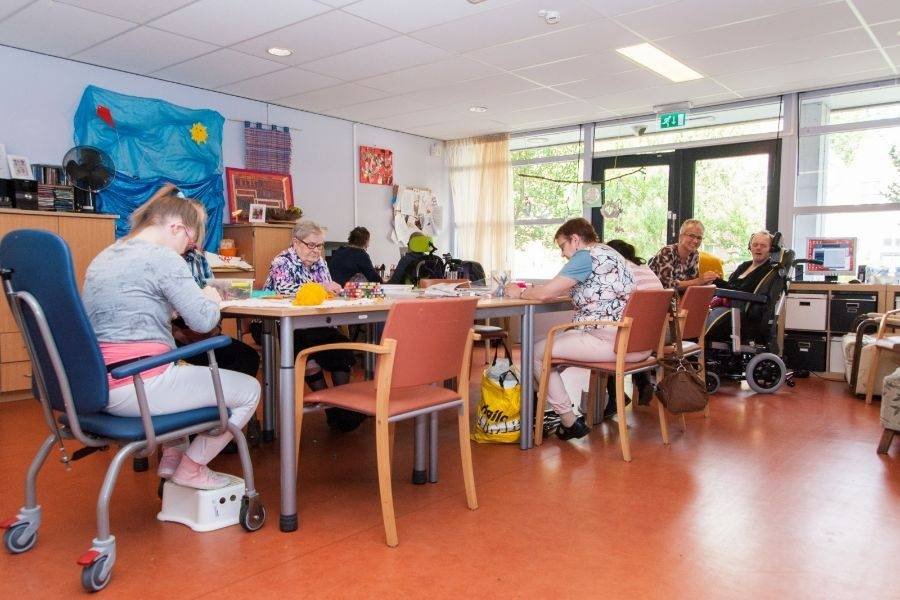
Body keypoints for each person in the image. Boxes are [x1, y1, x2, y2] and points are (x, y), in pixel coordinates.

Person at [82, 186, 260, 490]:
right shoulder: (163, 259)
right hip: (137, 385)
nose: (188, 250)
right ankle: (191, 467)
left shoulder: (105, 256)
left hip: (96, 384)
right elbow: (203, 321)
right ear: (176, 227)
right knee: (249, 391)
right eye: (190, 242)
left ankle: (173, 455)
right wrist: (211, 296)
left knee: (181, 368)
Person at [504, 218, 635, 440]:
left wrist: (520, 292)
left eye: (562, 246)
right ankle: (544, 413)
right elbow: (590, 290)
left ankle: (568, 420)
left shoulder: (586, 255)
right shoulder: (612, 254)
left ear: (575, 239)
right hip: (633, 340)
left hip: (608, 339)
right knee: (552, 350)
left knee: (535, 353)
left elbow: (546, 294)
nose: (563, 254)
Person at [255, 220, 365, 432]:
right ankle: (332, 409)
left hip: (312, 321)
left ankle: (343, 405)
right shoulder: (282, 261)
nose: (316, 251)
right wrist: (321, 287)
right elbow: (284, 291)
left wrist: (333, 291)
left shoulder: (320, 263)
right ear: (296, 243)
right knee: (303, 346)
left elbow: (324, 291)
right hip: (276, 323)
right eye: (311, 245)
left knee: (340, 344)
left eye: (320, 245)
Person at [605, 239, 663, 411]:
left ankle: (615, 398)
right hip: (657, 333)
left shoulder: (620, 269)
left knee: (610, 340)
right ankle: (643, 381)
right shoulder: (645, 269)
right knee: (629, 333)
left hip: (639, 336)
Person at [706, 231, 777, 341]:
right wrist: (717, 280)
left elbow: (742, 291)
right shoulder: (745, 265)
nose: (758, 248)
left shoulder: (768, 270)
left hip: (743, 314)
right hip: (730, 308)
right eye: (755, 244)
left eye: (763, 245)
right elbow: (730, 285)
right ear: (750, 247)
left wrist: (717, 281)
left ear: (771, 249)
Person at [648, 219, 719, 292]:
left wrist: (707, 281)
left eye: (699, 238)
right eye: (692, 236)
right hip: (652, 299)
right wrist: (699, 281)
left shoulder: (694, 255)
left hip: (677, 300)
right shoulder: (667, 252)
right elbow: (667, 286)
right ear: (681, 236)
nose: (695, 241)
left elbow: (693, 285)